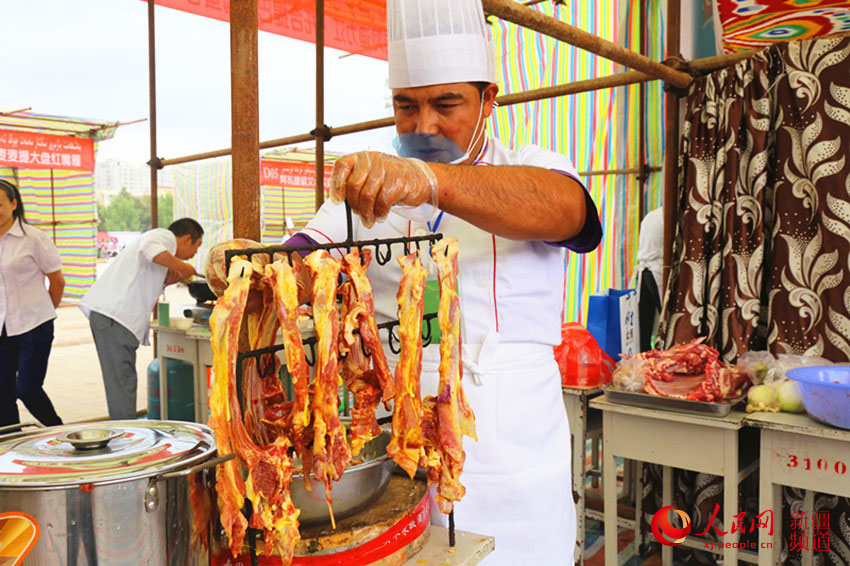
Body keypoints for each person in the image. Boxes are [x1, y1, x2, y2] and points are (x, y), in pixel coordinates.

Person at [284, 1, 602, 563]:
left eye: (445, 104)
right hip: (396, 452)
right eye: (406, 107)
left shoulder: (531, 165)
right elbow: (295, 261)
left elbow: (570, 212)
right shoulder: (369, 192)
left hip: (515, 457)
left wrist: (428, 180)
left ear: (488, 100)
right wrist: (256, 268)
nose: (423, 125)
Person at [80, 218, 203, 420]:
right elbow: (149, 248)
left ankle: (126, 432)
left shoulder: (163, 248)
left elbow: (146, 273)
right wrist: (183, 266)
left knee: (123, 381)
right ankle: (126, 437)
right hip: (115, 318)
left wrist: (169, 279)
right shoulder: (165, 237)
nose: (193, 256)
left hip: (114, 318)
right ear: (187, 239)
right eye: (196, 248)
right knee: (122, 383)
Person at [0, 179, 66, 429]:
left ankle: (61, 432)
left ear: (14, 204)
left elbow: (57, 281)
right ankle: (10, 445)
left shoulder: (34, 238)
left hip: (34, 326)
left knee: (27, 389)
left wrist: (46, 311)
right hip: (2, 329)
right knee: (2, 395)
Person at [629, 207, 664, 351]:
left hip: (645, 272)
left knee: (643, 324)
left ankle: (642, 360)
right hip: (656, 270)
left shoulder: (652, 215)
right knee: (665, 322)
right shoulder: (666, 216)